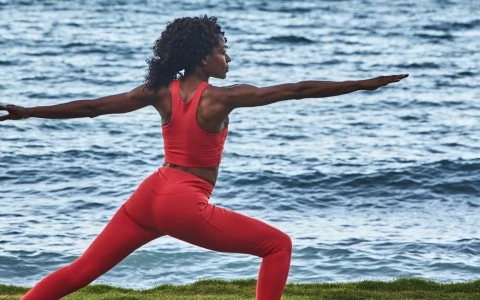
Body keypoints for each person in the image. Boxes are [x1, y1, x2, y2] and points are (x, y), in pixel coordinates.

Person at [0, 15, 408, 300]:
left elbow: (94, 107)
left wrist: (31, 111)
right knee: (278, 245)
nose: (227, 58)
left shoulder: (158, 91)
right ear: (203, 58)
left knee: (80, 272)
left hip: (150, 195)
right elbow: (296, 90)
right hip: (183, 202)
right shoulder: (222, 98)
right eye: (223, 51)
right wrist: (363, 84)